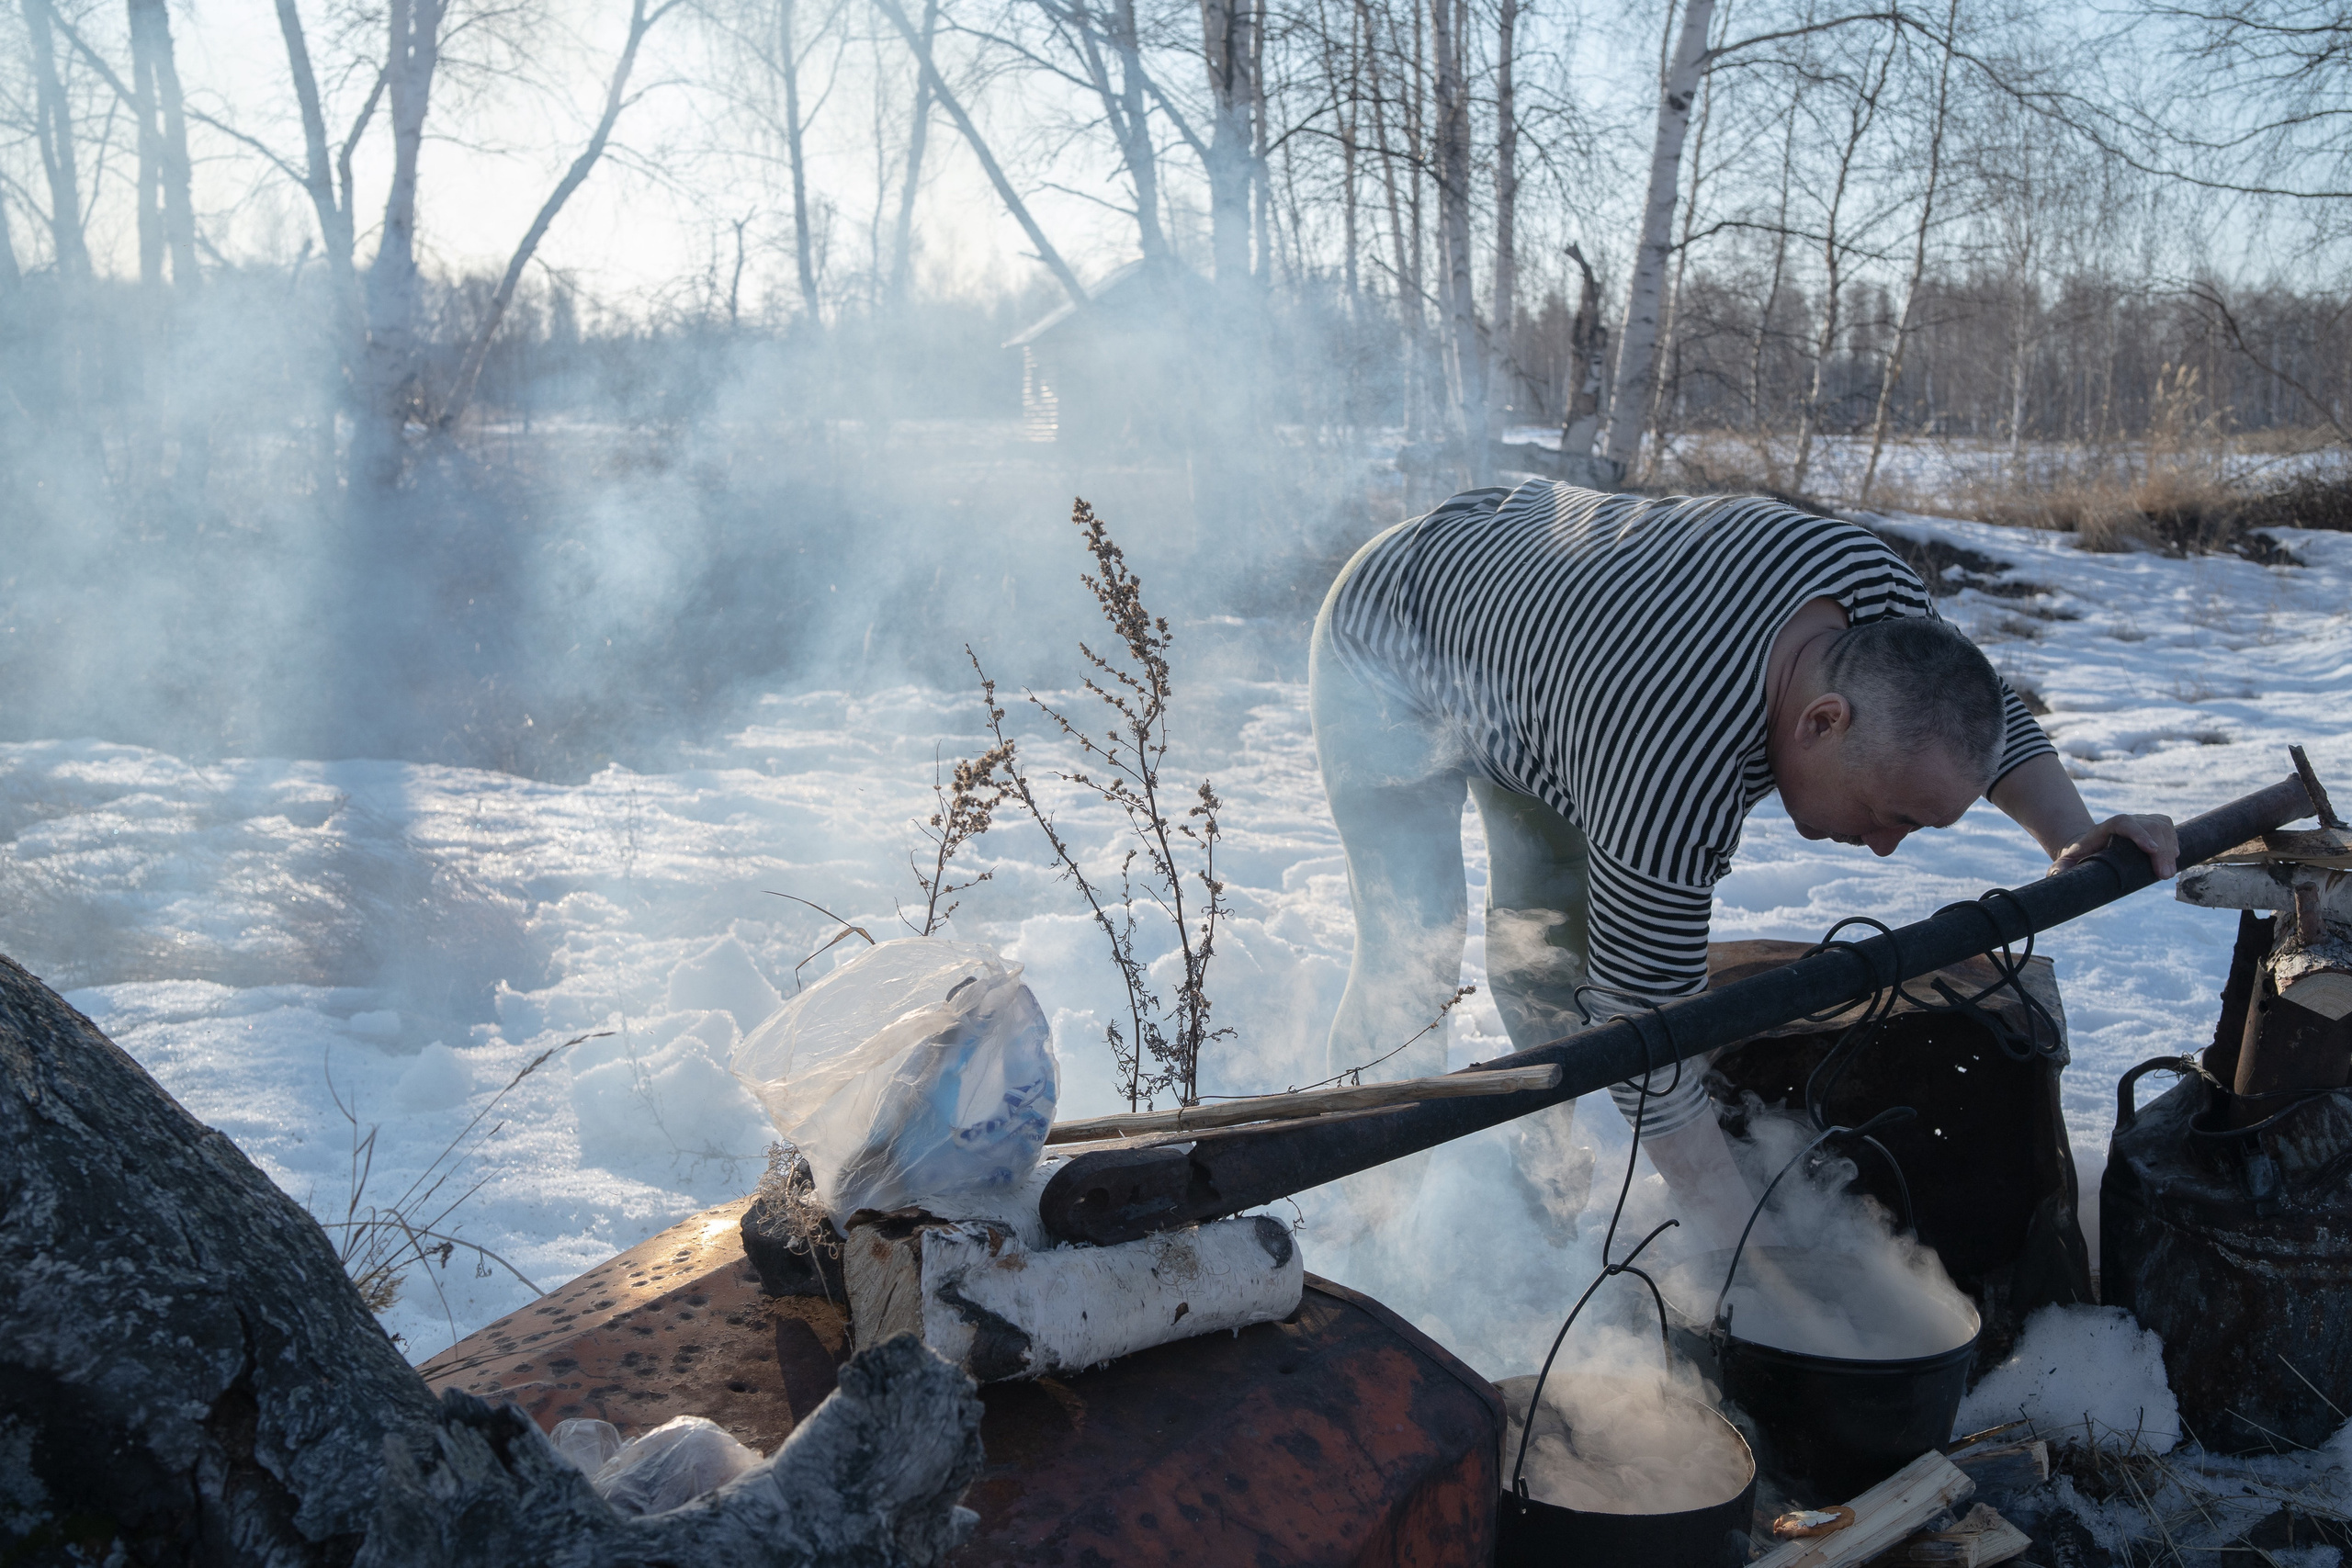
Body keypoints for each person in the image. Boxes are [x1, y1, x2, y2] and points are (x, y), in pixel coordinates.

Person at [1309, 481, 2179, 1244]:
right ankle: (1364, 1206)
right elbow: (1644, 1026)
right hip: (1397, 632)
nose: (1884, 846)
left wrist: (2073, 835)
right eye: (1887, 815)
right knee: (1413, 947)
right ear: (1822, 720)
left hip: (1542, 642)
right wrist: (1744, 1250)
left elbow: (1971, 719)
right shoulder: (1673, 751)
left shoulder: (1876, 597)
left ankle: (1544, 1168)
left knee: (1549, 944)